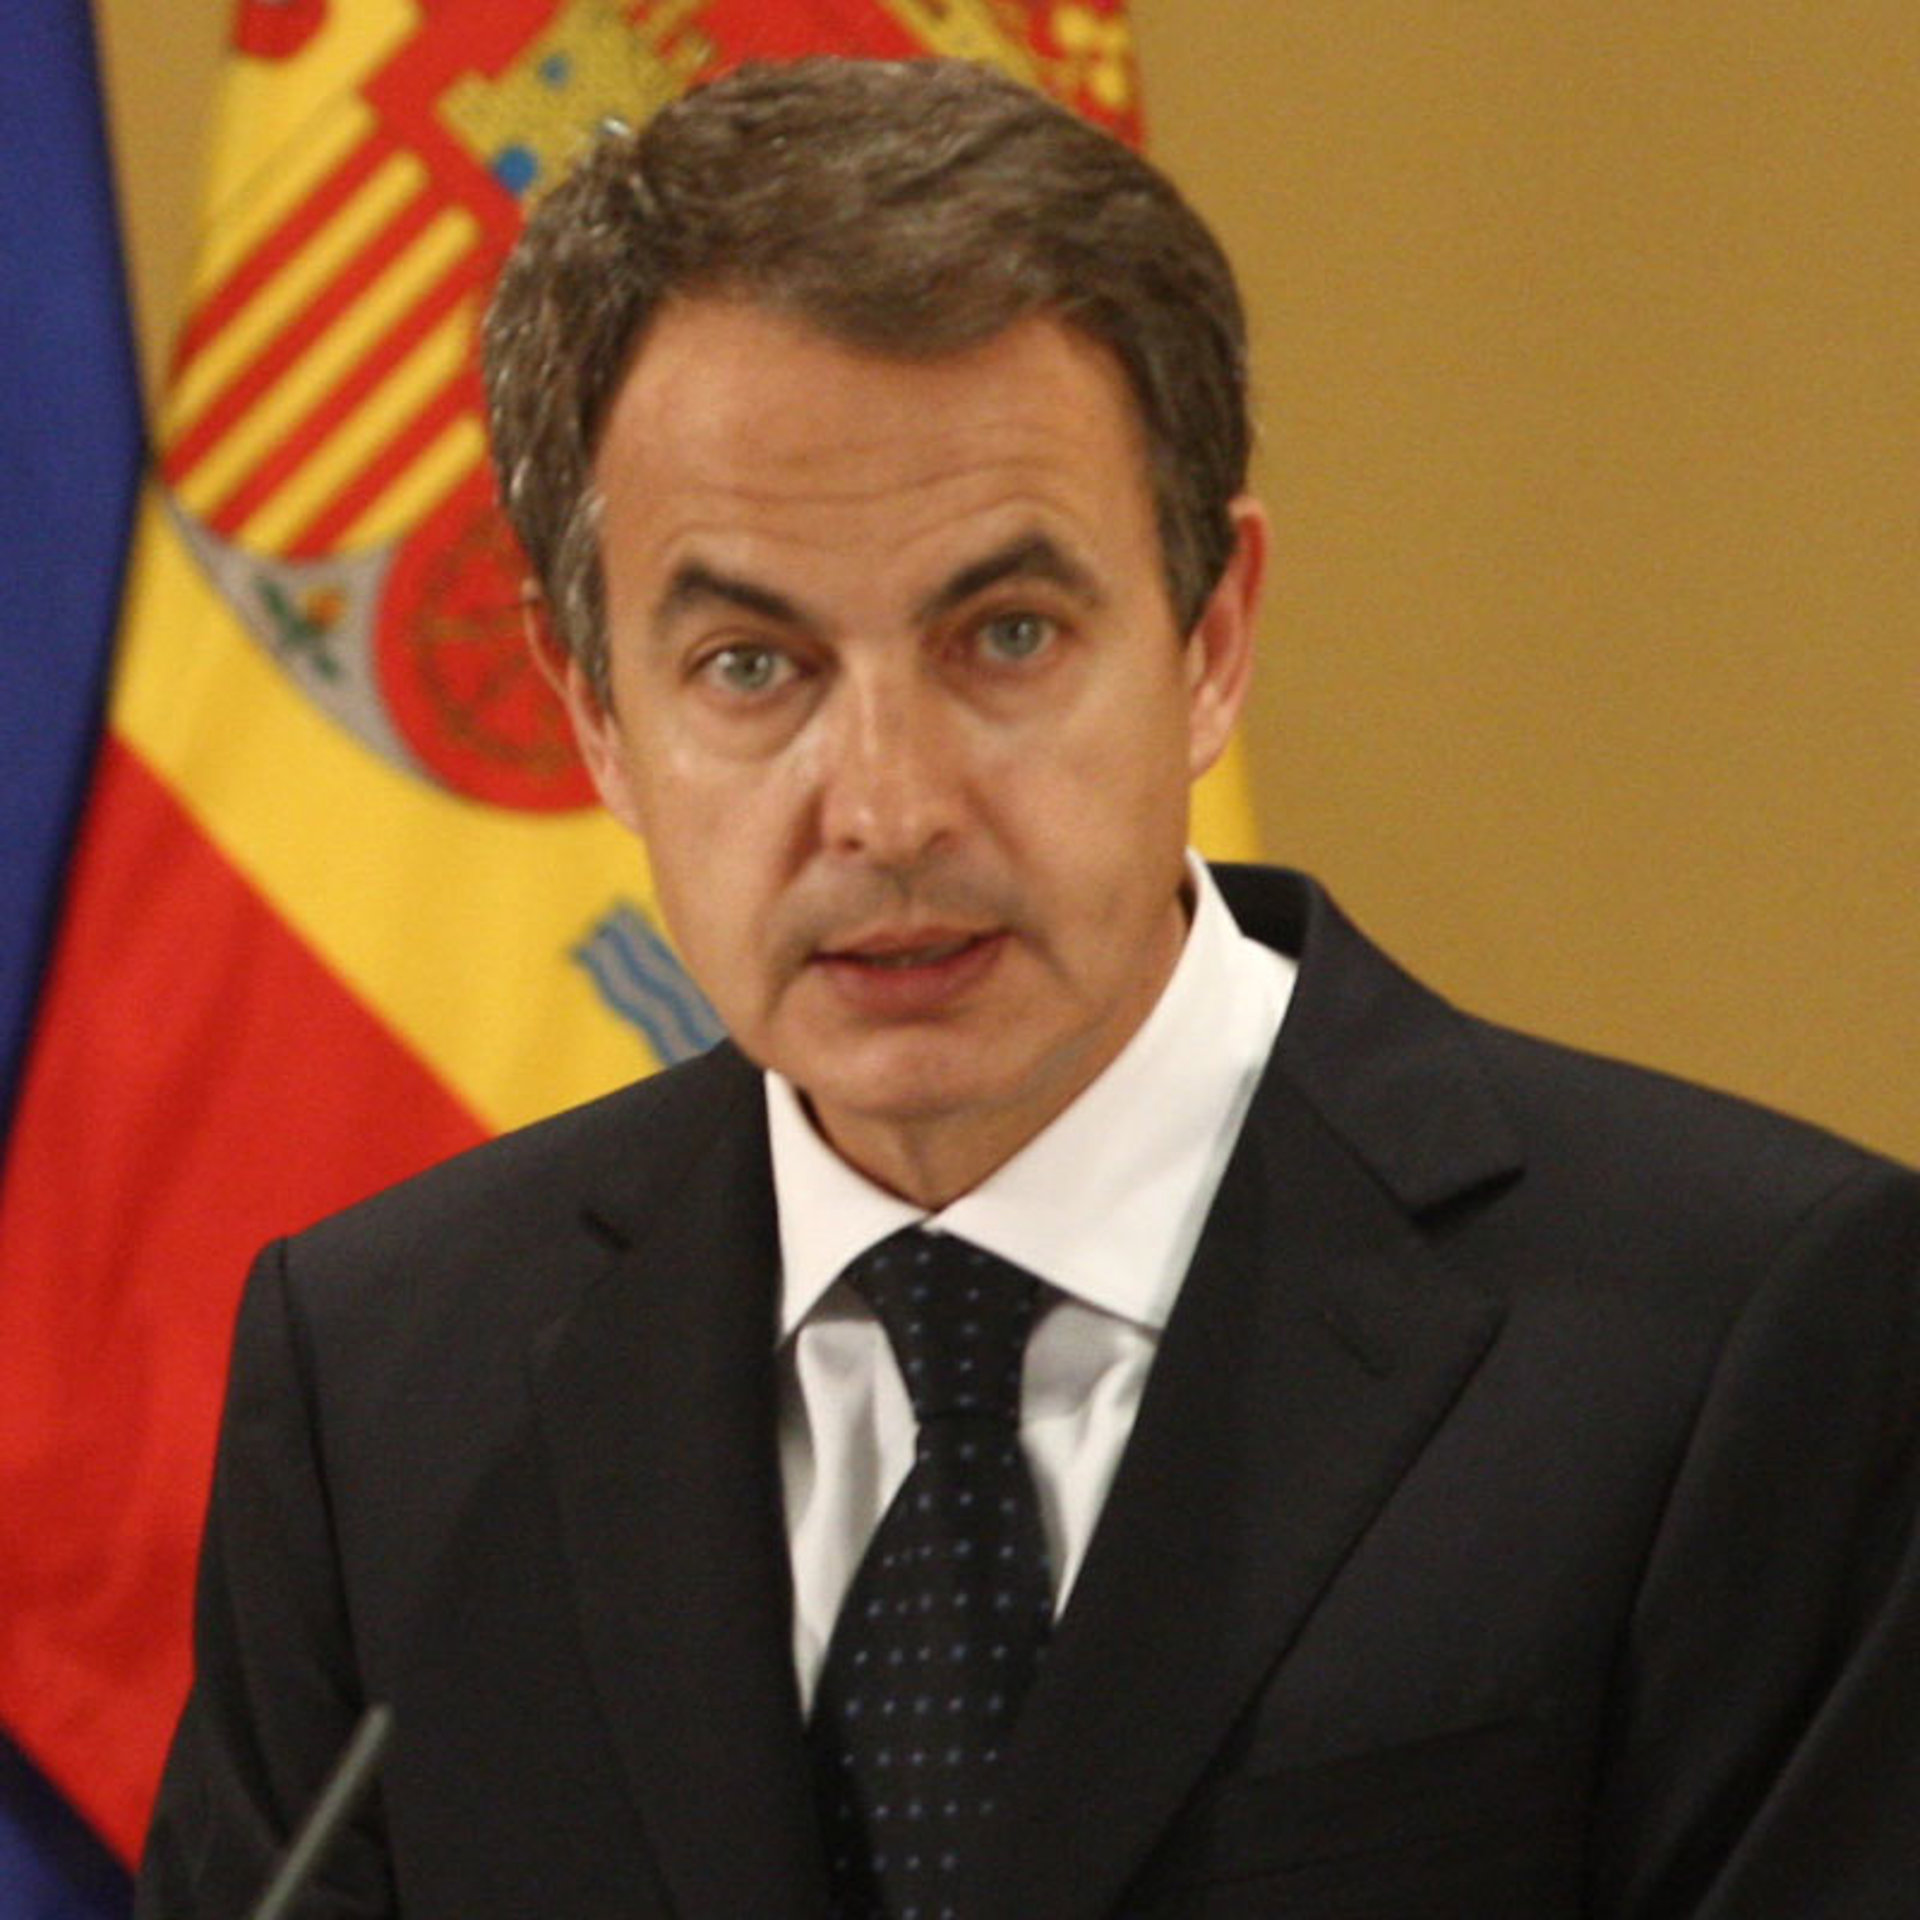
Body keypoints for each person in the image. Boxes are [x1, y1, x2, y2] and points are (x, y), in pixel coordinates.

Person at [137, 57, 1920, 1920]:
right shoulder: (385, 1387)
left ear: (1210, 637)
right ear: (595, 712)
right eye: (750, 666)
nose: (889, 808)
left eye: (1005, 636)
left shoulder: (1742, 1344)